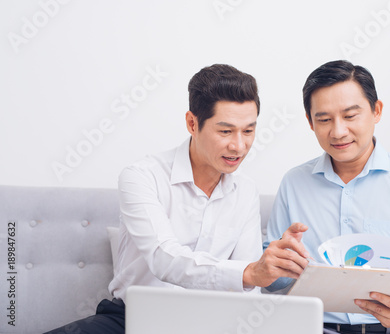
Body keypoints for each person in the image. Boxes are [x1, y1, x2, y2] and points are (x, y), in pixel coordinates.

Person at [44, 64, 308, 334]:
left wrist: (266, 272)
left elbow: (247, 290)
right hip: (133, 320)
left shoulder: (246, 191)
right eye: (225, 131)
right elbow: (163, 257)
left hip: (212, 325)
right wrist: (250, 273)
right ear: (192, 123)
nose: (239, 146)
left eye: (248, 131)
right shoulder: (142, 177)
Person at [264, 60, 390, 334]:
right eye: (324, 119)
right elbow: (272, 282)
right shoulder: (294, 183)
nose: (338, 131)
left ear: (376, 111)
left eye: (350, 115)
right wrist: (277, 270)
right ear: (310, 122)